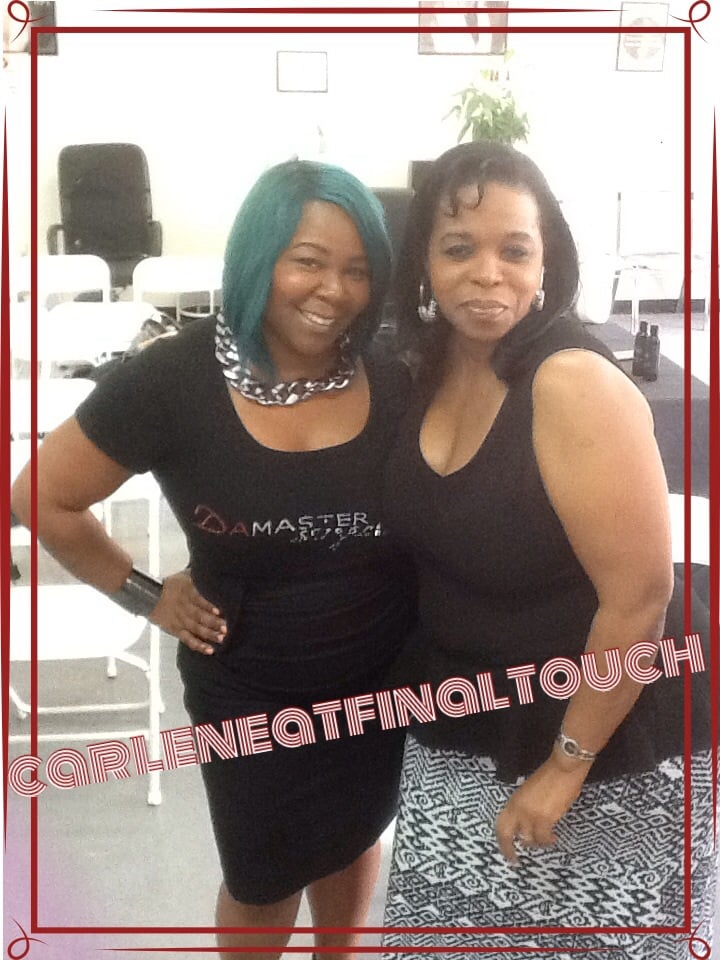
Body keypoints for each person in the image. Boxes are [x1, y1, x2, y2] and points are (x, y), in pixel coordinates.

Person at [11, 159, 416, 958]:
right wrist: (143, 593)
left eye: (358, 269)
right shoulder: (173, 379)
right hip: (248, 688)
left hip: (380, 678)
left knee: (351, 837)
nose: (333, 290)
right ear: (258, 256)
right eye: (308, 261)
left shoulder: (392, 374)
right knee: (263, 879)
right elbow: (42, 496)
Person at [380, 141, 716, 956]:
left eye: (514, 249)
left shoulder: (571, 381)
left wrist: (567, 765)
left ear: (546, 263)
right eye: (458, 249)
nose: (487, 274)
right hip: (467, 715)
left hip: (607, 734)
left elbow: (639, 599)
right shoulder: (430, 366)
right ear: (423, 261)